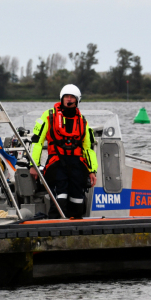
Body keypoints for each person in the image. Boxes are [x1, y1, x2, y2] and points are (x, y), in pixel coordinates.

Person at [30, 84, 98, 219]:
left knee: (77, 201)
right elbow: (37, 142)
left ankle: (76, 229)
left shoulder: (83, 121)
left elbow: (88, 148)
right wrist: (34, 165)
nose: (69, 99)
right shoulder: (48, 116)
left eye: (72, 97)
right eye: (66, 96)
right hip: (57, 163)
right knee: (59, 199)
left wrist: (92, 170)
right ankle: (54, 228)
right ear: (61, 98)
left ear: (77, 100)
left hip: (77, 165)